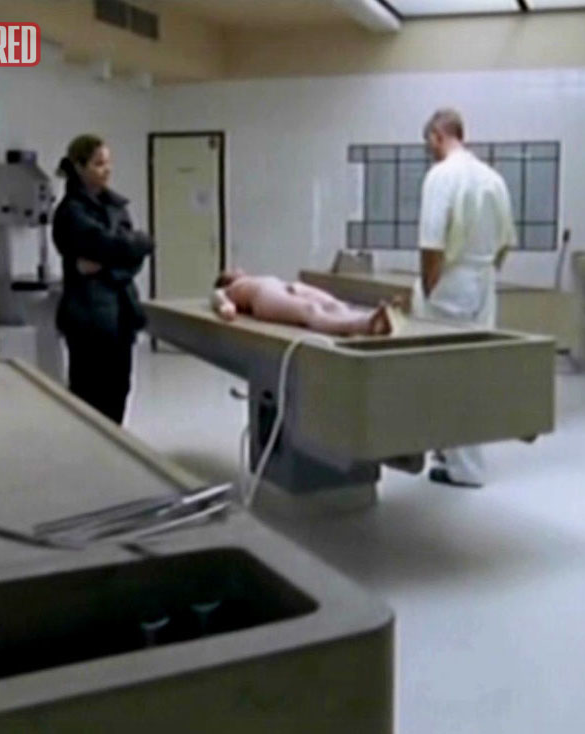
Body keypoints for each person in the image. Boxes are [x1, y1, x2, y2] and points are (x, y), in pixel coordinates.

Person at [417, 108, 517, 488]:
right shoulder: (492, 178)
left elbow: (431, 244)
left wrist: (429, 288)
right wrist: (484, 272)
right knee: (474, 372)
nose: (429, 150)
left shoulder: (441, 176)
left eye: (429, 142)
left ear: (437, 135)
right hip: (484, 281)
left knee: (447, 377)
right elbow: (506, 241)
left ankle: (465, 468)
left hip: (451, 282)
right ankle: (450, 451)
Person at [52, 134, 154, 425]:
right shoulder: (71, 212)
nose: (106, 169)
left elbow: (134, 255)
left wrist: (110, 265)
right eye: (98, 164)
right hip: (87, 317)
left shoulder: (116, 206)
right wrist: (129, 249)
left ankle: (114, 444)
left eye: (108, 163)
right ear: (79, 167)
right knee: (89, 394)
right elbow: (105, 244)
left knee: (119, 389)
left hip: (122, 313)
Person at [212, 269, 400, 336]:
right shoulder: (229, 289)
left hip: (285, 288)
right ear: (227, 279)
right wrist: (227, 309)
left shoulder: (253, 278)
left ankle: (373, 316)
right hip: (263, 298)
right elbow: (221, 301)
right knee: (310, 310)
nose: (238, 268)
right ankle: (364, 325)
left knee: (333, 304)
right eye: (231, 270)